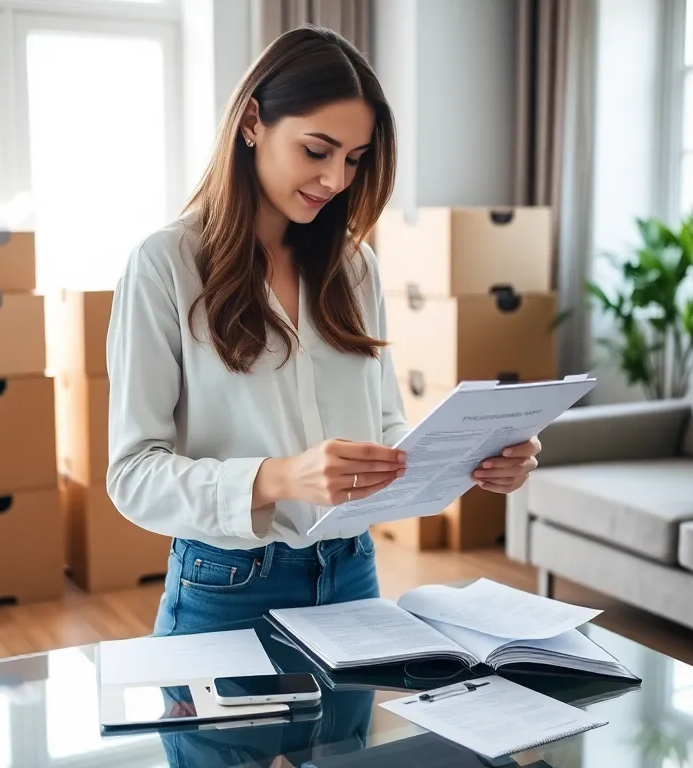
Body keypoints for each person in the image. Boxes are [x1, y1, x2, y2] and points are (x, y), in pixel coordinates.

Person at [105, 26, 542, 638]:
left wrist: (473, 458)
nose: (337, 179)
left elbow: (385, 426)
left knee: (358, 741)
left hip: (353, 576)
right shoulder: (165, 265)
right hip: (226, 588)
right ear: (252, 121)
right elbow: (133, 475)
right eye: (317, 151)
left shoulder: (355, 267)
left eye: (355, 160)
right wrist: (278, 477)